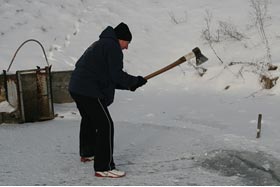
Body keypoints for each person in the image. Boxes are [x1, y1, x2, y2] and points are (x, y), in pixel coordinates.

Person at [68, 22, 147, 178]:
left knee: (89, 119)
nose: (127, 47)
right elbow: (116, 75)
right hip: (89, 90)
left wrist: (132, 85)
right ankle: (104, 167)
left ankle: (88, 152)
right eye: (127, 43)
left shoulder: (100, 44)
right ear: (121, 39)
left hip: (77, 87)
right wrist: (134, 81)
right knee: (106, 125)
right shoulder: (113, 48)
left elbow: (109, 77)